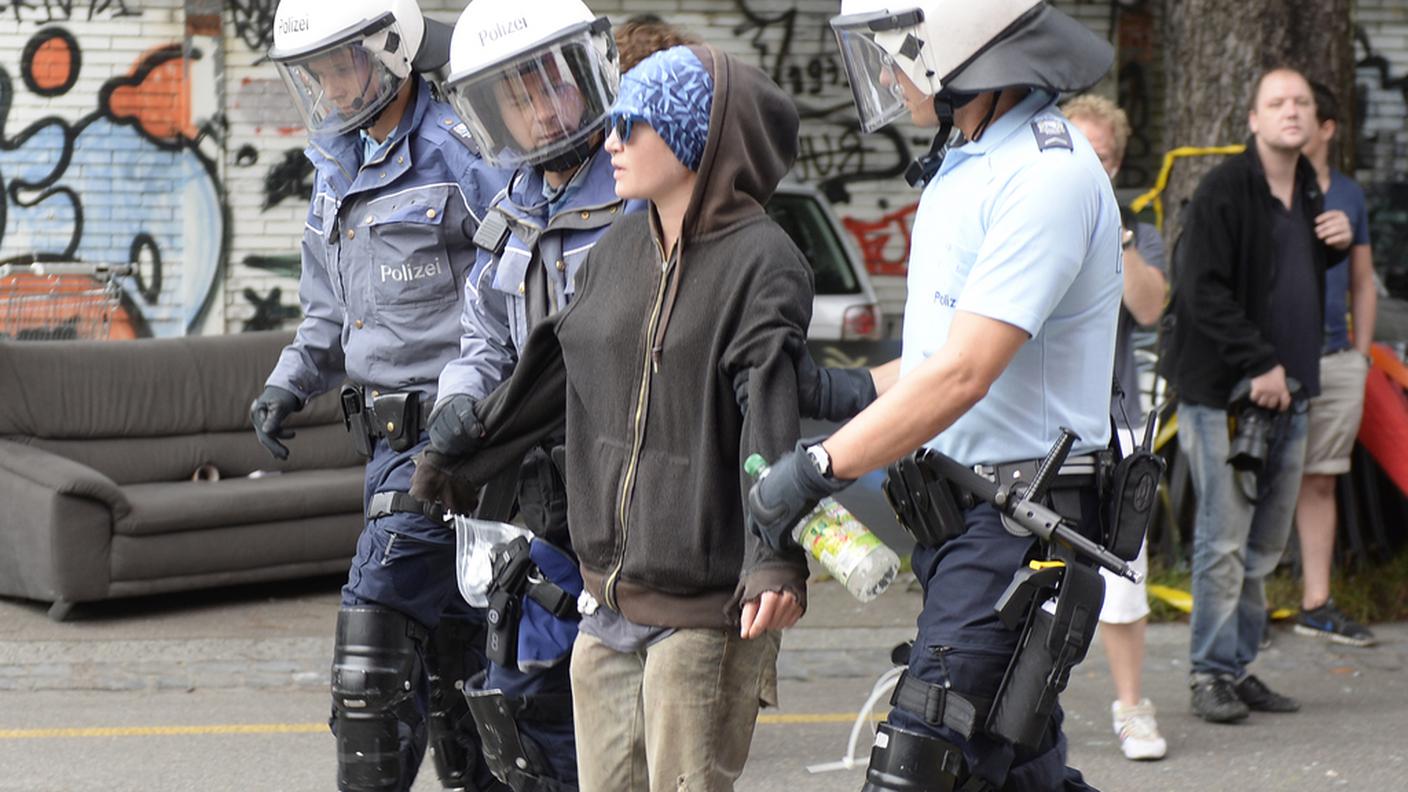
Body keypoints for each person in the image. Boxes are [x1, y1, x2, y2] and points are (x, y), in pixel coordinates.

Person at [418, 43, 813, 792]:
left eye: (633, 126)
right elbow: (555, 366)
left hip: (704, 609)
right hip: (605, 600)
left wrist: (773, 555)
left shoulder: (765, 260)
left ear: (696, 139)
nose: (610, 141)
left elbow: (770, 413)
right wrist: (462, 459)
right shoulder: (622, 249)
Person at [749, 2, 1121, 789]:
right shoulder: (975, 156)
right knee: (1019, 769)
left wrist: (818, 467)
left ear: (961, 53)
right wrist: (839, 391)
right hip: (972, 521)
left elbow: (965, 374)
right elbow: (934, 357)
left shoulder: (1042, 173)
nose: (890, 71)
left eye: (900, 50)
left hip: (1018, 527)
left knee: (925, 764)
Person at [251, 1, 506, 789]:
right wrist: (290, 380)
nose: (327, 87)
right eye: (316, 72)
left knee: (373, 643)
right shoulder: (338, 160)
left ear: (389, 52)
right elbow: (331, 310)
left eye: (339, 65)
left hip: (454, 443)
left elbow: (514, 292)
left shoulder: (459, 151)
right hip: (384, 448)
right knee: (457, 651)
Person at [412, 1, 631, 788]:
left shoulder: (642, 185)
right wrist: (457, 401)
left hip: (630, 486)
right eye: (517, 97)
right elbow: (482, 339)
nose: (540, 111)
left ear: (585, 72)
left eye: (549, 85)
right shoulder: (511, 205)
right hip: (538, 494)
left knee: (619, 709)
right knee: (523, 703)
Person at [1159, 66, 1354, 724]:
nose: (1291, 111)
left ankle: (1237, 667)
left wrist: (1334, 248)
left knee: (1266, 543)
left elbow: (1279, 278)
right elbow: (1199, 291)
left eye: (1301, 101)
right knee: (1223, 540)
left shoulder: (1302, 187)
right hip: (1227, 395)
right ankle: (1208, 673)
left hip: (1291, 391)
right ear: (1253, 119)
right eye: (1277, 102)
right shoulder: (1223, 189)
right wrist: (1261, 363)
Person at [1063, 94, 1169, 762]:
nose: (1087, 166)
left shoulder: (1137, 229)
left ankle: (1132, 706)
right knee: (1033, 571)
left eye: (1098, 156)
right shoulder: (1032, 217)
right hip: (1042, 423)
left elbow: (1151, 307)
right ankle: (1018, 711)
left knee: (1124, 574)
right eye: (1075, 151)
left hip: (1115, 425)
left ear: (1117, 162)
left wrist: (1119, 235)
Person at [1292, 81, 1378, 648]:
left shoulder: (1349, 194)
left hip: (1337, 357)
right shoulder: (1268, 189)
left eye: (1305, 113)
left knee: (1320, 482)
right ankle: (1241, 608)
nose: (1292, 122)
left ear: (1327, 129)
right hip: (1278, 363)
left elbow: (1363, 283)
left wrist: (1363, 355)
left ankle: (1315, 602)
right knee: (1267, 481)